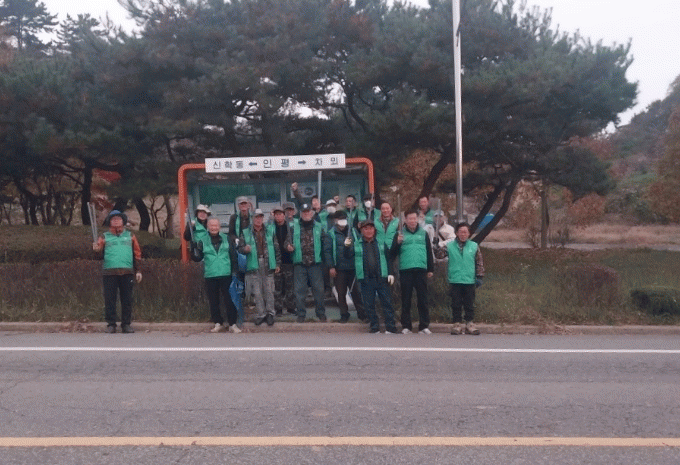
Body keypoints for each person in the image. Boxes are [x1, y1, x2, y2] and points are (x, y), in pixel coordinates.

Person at [92, 210, 142, 334]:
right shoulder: (104, 236)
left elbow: (137, 254)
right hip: (109, 272)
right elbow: (97, 254)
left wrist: (138, 270)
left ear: (123, 221)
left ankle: (126, 324)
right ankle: (111, 324)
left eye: (118, 218)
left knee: (127, 299)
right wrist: (96, 249)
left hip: (127, 272)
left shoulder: (130, 236)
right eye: (113, 219)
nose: (115, 221)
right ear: (109, 222)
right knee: (110, 299)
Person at [434, 222, 485, 335]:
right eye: (461, 232)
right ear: (456, 233)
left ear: (469, 233)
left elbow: (479, 262)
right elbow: (439, 255)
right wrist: (436, 246)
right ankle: (456, 324)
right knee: (456, 303)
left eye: (465, 232)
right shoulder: (450, 246)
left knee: (469, 303)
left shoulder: (474, 246)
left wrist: (479, 276)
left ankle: (469, 324)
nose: (463, 234)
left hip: (469, 279)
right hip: (455, 279)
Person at [349, 219, 398, 334]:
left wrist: (391, 273)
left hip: (382, 278)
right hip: (366, 279)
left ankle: (391, 327)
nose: (369, 231)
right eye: (366, 229)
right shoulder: (357, 244)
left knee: (387, 303)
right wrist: (347, 246)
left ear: (374, 230)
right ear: (362, 231)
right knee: (369, 304)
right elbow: (347, 255)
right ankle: (374, 327)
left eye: (371, 228)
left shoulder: (381, 243)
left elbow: (389, 258)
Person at [391, 210, 434, 334]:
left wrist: (430, 268)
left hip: (421, 269)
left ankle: (424, 325)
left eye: (415, 218)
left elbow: (429, 251)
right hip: (406, 270)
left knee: (423, 299)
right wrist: (397, 243)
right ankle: (406, 326)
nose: (413, 221)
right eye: (410, 219)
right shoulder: (399, 234)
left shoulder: (423, 233)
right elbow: (392, 253)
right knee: (406, 299)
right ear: (405, 220)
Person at [194, 217, 241, 333]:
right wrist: (194, 250)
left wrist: (234, 271)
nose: (214, 228)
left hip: (226, 274)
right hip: (211, 274)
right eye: (211, 225)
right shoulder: (202, 241)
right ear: (208, 227)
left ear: (219, 227)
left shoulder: (227, 238)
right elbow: (198, 258)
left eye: (216, 225)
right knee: (213, 301)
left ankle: (232, 324)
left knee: (229, 300)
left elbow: (233, 256)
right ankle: (217, 323)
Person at [239, 209, 282, 326]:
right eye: (256, 217)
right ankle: (261, 314)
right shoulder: (245, 232)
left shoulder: (270, 230)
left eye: (260, 217)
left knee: (269, 290)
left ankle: (270, 313)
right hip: (254, 264)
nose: (258, 219)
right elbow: (240, 248)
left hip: (268, 263)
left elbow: (277, 248)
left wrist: (278, 264)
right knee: (257, 292)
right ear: (252, 218)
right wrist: (244, 249)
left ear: (263, 218)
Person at [324, 210, 366, 323]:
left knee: (356, 292)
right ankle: (344, 314)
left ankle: (362, 314)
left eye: (344, 218)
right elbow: (327, 252)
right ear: (335, 220)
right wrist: (331, 267)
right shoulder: (330, 234)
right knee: (341, 293)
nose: (343, 221)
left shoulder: (353, 231)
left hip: (353, 267)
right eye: (340, 218)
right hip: (339, 268)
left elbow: (360, 244)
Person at [290, 203, 327, 322]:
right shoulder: (293, 227)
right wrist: (288, 246)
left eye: (308, 212)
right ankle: (301, 314)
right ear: (300, 214)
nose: (306, 214)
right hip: (300, 264)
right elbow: (287, 242)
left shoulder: (319, 226)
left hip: (315, 264)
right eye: (304, 212)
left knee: (319, 290)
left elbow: (325, 244)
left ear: (312, 213)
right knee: (299, 291)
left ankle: (320, 313)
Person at [272, 205, 296, 315]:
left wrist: (292, 247)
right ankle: (278, 308)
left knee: (290, 286)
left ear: (284, 215)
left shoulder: (290, 228)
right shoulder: (271, 228)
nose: (278, 216)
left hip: (288, 260)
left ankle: (291, 307)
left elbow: (295, 241)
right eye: (276, 214)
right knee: (277, 287)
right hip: (276, 261)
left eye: (280, 214)